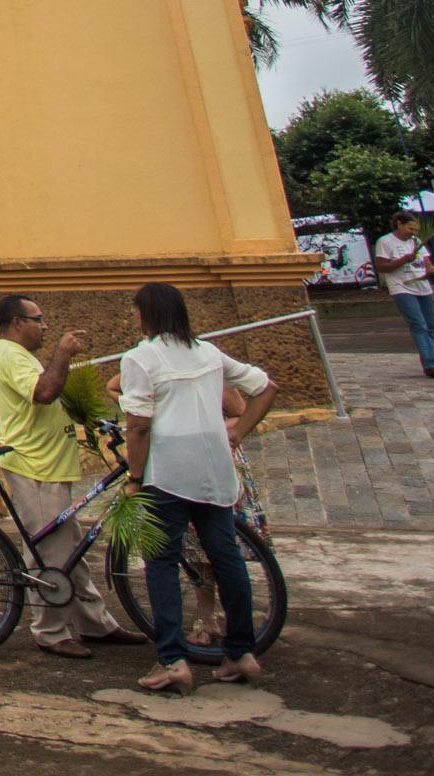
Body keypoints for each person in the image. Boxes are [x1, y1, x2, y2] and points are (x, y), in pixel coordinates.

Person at [119, 280, 277, 694]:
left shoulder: (141, 357)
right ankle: (241, 652)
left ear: (148, 314)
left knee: (162, 563)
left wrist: (134, 480)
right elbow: (265, 387)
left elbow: (137, 425)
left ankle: (172, 659)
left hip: (167, 473)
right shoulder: (207, 351)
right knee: (228, 560)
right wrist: (238, 431)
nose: (133, 317)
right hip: (214, 471)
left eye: (136, 310)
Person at [0, 294, 128, 657]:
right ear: (16, 322)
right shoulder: (7, 354)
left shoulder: (21, 355)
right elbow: (45, 392)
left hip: (50, 463)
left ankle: (94, 623)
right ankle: (50, 631)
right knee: (49, 553)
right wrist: (62, 353)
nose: (45, 325)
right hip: (33, 465)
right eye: (39, 318)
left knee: (69, 549)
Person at [370, 212, 434, 377]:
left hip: (422, 286)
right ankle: (431, 364)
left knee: (429, 326)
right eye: (409, 227)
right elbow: (382, 266)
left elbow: (426, 261)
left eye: (415, 229)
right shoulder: (385, 242)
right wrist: (403, 260)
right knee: (418, 324)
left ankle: (433, 361)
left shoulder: (416, 241)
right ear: (399, 224)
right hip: (402, 287)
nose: (412, 232)